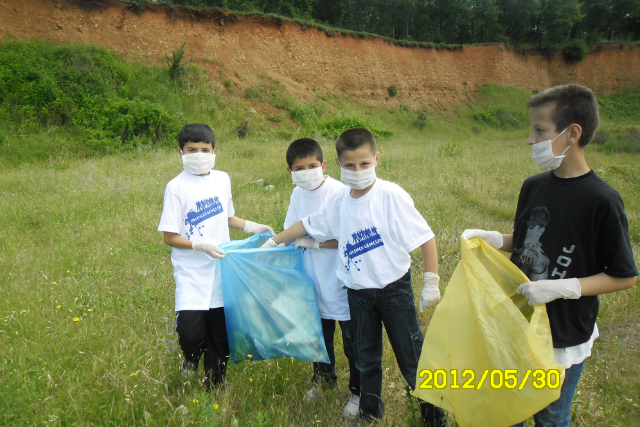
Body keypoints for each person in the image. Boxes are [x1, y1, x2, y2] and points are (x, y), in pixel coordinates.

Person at [462, 84, 638, 427]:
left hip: (562, 335)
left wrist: (562, 287)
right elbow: (530, 240)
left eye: (539, 130)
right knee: (506, 410)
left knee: (550, 417)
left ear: (572, 133)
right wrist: (497, 239)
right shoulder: (534, 186)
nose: (530, 138)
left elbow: (624, 275)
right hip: (517, 323)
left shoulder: (602, 201)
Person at [261, 128, 446, 426]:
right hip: (356, 293)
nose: (357, 171)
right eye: (349, 165)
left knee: (411, 357)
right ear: (337, 163)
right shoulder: (338, 202)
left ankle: (435, 417)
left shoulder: (391, 195)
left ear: (376, 159)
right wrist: (272, 242)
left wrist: (431, 282)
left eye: (364, 164)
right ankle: (370, 412)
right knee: (366, 357)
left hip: (392, 290)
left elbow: (426, 238)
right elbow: (306, 224)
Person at [158, 123, 275, 389]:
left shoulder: (222, 179)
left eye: (205, 149)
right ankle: (190, 360)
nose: (199, 154)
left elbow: (227, 216)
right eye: (192, 150)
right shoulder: (176, 187)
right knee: (191, 333)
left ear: (214, 151)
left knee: (220, 335)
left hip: (222, 268)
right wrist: (198, 246)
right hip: (191, 272)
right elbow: (168, 236)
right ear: (181, 152)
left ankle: (215, 384)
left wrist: (250, 226)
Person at [282, 138, 361, 418]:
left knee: (353, 342)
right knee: (319, 337)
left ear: (324, 165)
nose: (307, 172)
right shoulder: (297, 194)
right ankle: (324, 379)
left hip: (341, 281)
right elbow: (292, 231)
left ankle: (358, 391)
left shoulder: (339, 193)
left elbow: (349, 239)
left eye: (312, 166)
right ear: (290, 171)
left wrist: (314, 243)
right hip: (313, 280)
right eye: (299, 168)